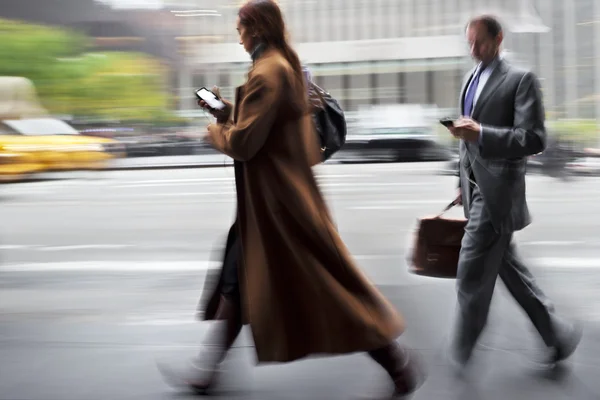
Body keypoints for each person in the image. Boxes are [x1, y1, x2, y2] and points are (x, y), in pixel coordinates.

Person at [160, 0, 424, 397]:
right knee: (238, 280)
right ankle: (207, 372)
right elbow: (262, 126)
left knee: (328, 290)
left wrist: (212, 133)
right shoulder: (278, 66)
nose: (237, 33)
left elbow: (246, 143)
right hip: (270, 205)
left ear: (258, 28)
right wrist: (220, 110)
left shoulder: (269, 71)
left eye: (241, 26)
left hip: (279, 209)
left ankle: (396, 362)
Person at [446, 15, 582, 370]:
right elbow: (467, 142)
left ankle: (460, 350)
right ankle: (557, 336)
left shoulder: (521, 80)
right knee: (511, 272)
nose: (474, 50)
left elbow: (534, 138)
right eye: (470, 43)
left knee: (471, 271)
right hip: (475, 191)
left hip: (498, 195)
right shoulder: (470, 78)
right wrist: (462, 183)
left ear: (499, 38)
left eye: (480, 42)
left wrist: (483, 134)